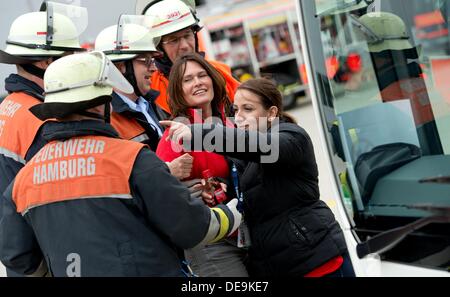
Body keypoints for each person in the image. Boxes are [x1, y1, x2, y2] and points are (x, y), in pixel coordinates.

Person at [0, 51, 241, 277]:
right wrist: (234, 212)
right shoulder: (132, 158)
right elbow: (194, 227)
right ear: (99, 104)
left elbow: (16, 256)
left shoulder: (24, 179)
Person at [160, 78, 355, 277]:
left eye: (248, 109)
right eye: (236, 110)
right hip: (281, 265)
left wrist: (197, 133)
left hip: (317, 261)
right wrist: (221, 187)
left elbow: (260, 147)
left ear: (271, 113)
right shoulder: (247, 154)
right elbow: (254, 184)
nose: (239, 117)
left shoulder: (292, 137)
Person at [0, 2, 87, 276]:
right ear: (44, 62)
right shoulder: (42, 121)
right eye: (69, 56)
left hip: (22, 259)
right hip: (49, 261)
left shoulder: (10, 107)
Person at [156, 53, 248, 277]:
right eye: (188, 80)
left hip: (243, 232)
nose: (197, 82)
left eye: (202, 75)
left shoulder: (229, 124)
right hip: (208, 242)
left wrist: (222, 183)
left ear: (213, 80)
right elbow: (160, 195)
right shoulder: (175, 135)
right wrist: (193, 193)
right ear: (178, 90)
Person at [95, 14, 192, 179]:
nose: (153, 68)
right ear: (119, 66)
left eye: (152, 60)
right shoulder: (106, 120)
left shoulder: (150, 106)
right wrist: (167, 172)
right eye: (145, 61)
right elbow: (118, 178)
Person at [355, 12, 443, 155]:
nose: (361, 62)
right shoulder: (425, 86)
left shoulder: (383, 101)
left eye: (365, 54)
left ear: (378, 56)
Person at [138, 0, 240, 114]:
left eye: (187, 35)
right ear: (158, 48)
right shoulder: (149, 88)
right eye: (174, 40)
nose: (185, 46)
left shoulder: (222, 73)